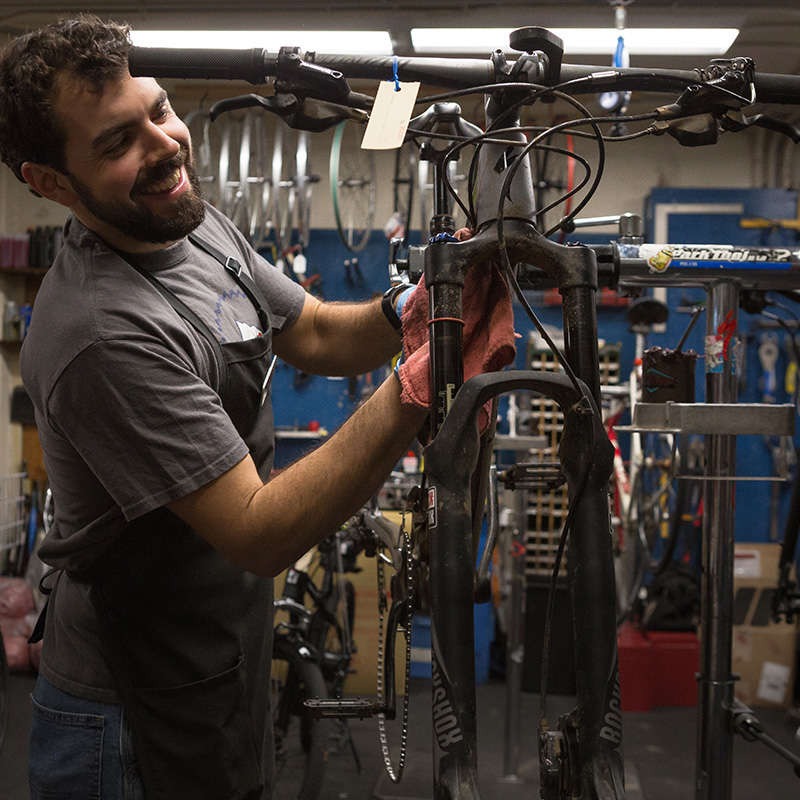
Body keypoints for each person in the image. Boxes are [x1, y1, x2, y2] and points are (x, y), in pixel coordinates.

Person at [0, 14, 514, 800]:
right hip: (123, 716)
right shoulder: (100, 333)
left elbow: (309, 330)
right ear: (50, 182)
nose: (166, 144)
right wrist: (419, 383)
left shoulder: (188, 223)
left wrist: (418, 305)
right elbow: (258, 529)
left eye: (160, 110)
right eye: (116, 142)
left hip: (212, 668)